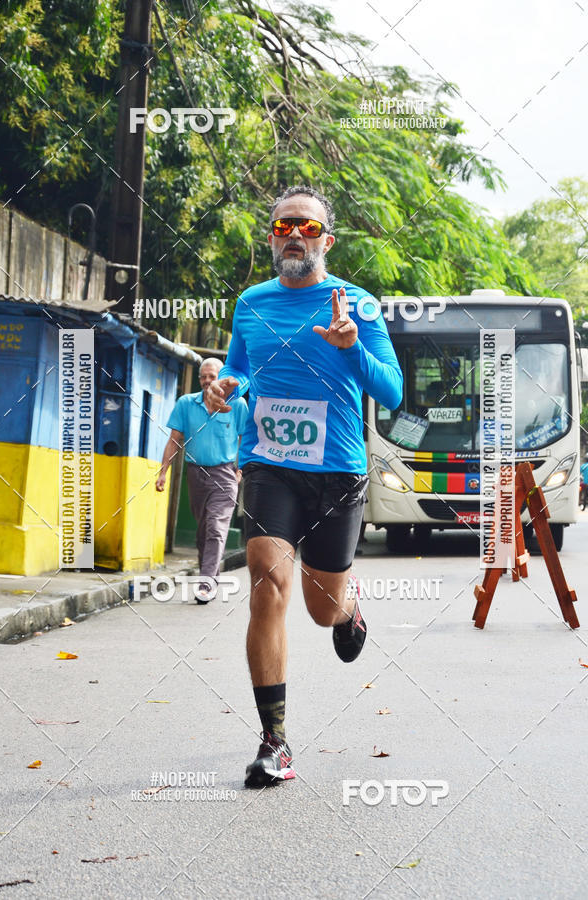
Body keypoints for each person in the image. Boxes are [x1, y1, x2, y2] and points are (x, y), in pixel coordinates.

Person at [204, 185, 403, 787]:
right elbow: (239, 366)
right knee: (267, 583)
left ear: (327, 241)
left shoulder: (357, 305)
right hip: (269, 464)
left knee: (321, 610)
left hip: (337, 471)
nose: (295, 234)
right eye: (285, 225)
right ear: (272, 236)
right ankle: (275, 742)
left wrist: (352, 350)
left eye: (309, 227)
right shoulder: (250, 303)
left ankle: (349, 609)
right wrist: (227, 386)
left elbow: (392, 391)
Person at [156, 358, 247, 603]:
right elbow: (174, 440)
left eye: (212, 376)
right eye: (203, 377)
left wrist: (240, 470)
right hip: (195, 474)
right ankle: (211, 576)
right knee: (203, 532)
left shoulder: (237, 404)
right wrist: (163, 472)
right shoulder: (186, 403)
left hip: (225, 474)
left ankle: (205, 584)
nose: (207, 381)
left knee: (216, 529)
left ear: (221, 378)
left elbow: (245, 441)